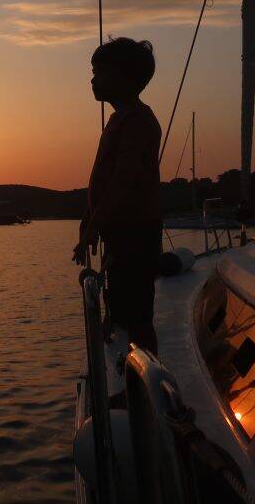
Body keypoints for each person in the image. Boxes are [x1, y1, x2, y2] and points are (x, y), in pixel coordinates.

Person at [73, 37, 162, 355]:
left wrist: (96, 223)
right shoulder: (119, 119)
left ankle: (149, 387)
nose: (93, 79)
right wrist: (90, 219)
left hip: (136, 231)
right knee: (121, 307)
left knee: (137, 314)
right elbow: (106, 181)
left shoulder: (137, 121)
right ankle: (129, 377)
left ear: (125, 77)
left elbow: (124, 181)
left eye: (99, 72)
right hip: (121, 230)